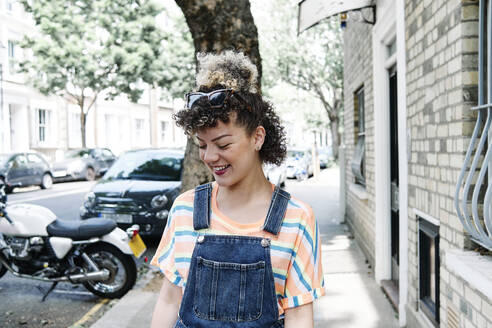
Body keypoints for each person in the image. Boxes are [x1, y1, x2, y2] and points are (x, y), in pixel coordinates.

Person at [150, 51, 324, 328]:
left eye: (223, 144)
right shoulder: (184, 209)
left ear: (257, 137)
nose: (209, 157)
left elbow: (299, 314)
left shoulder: (297, 218)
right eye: (202, 145)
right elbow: (170, 300)